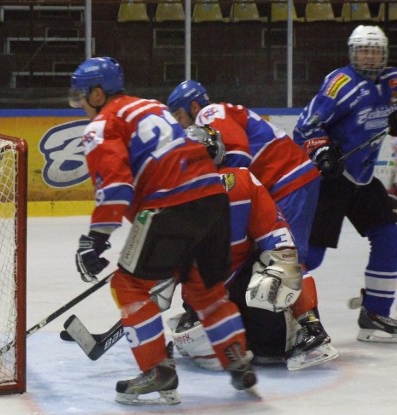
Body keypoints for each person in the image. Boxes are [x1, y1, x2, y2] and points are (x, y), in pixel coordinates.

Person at [69, 56, 257, 406]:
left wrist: (95, 240)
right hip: (214, 199)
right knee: (207, 289)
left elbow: (116, 188)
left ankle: (157, 370)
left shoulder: (102, 124)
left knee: (128, 284)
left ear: (97, 94)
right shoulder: (150, 106)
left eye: (81, 95)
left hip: (167, 206)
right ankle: (236, 358)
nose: (79, 103)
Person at [166, 79, 332, 364]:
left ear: (193, 106)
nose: (180, 124)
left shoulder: (210, 114)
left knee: (286, 255)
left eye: (179, 116)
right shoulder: (219, 126)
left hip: (285, 182)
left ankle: (310, 329)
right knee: (268, 256)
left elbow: (237, 158)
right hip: (283, 181)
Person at [293, 25, 397, 342]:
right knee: (312, 254)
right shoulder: (341, 83)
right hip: (332, 179)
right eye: (363, 50)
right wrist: (322, 150)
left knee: (391, 234)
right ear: (352, 53)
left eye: (375, 50)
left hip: (363, 180)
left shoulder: (392, 82)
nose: (369, 56)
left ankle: (375, 313)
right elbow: (305, 126)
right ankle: (287, 314)